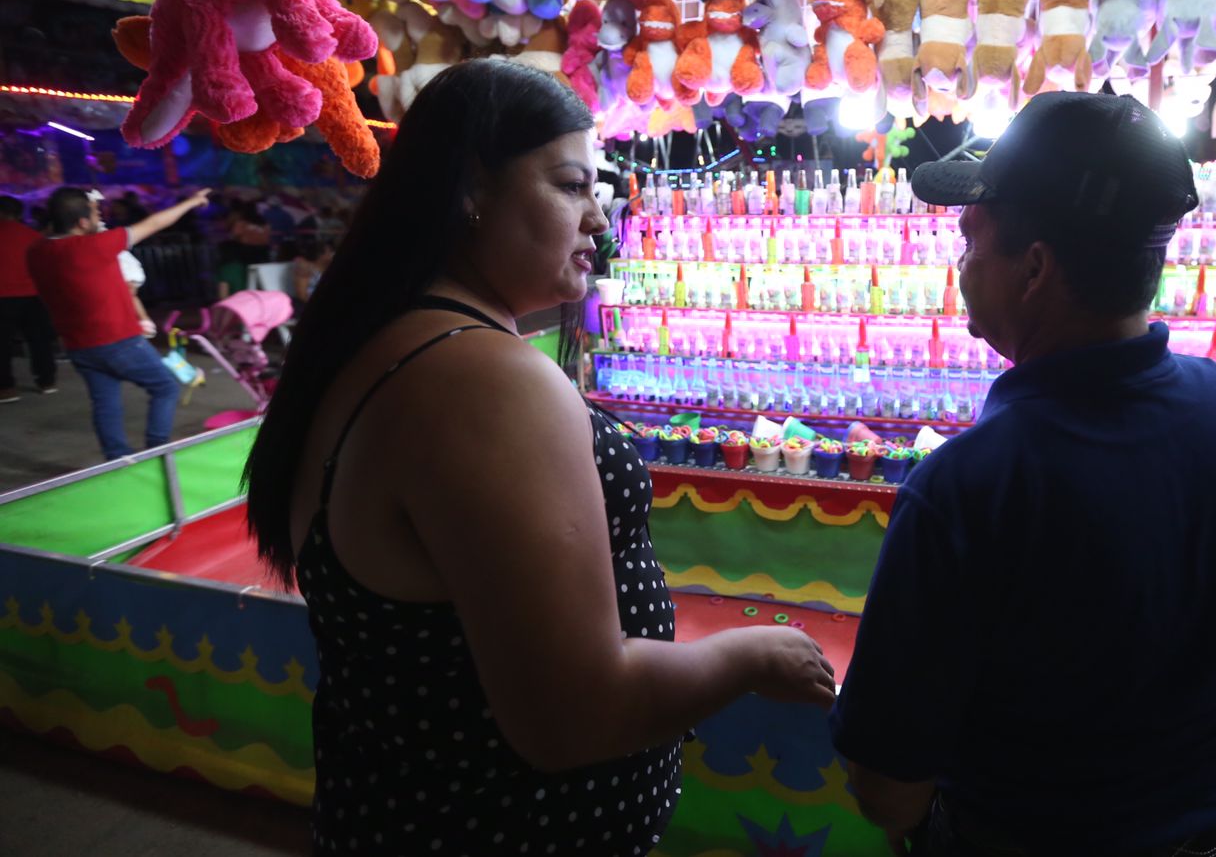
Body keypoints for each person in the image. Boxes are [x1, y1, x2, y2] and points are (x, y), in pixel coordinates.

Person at [242, 59, 836, 857]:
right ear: (470, 189)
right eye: (570, 185)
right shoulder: (484, 380)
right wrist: (748, 654)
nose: (599, 218)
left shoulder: (382, 344)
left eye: (599, 188)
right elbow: (572, 716)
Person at [830, 94, 1216, 857]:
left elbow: (886, 787)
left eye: (970, 239)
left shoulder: (969, 490)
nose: (961, 265)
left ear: (1033, 269)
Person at [27, 187, 212, 459]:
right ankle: (156, 451)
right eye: (95, 213)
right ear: (82, 222)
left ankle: (116, 459)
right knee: (165, 387)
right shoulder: (95, 245)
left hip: (78, 346)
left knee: (105, 403)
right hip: (118, 340)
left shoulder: (37, 252)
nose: (100, 218)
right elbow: (155, 223)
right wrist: (192, 202)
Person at [0, 195, 57, 403]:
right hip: (34, 295)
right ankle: (46, 381)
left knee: (2, 344)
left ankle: (6, 387)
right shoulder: (33, 236)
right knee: (39, 340)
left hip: (3, 296)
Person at [288, 236, 334, 308]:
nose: (332, 254)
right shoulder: (304, 267)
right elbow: (302, 296)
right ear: (320, 255)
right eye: (330, 252)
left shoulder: (326, 265)